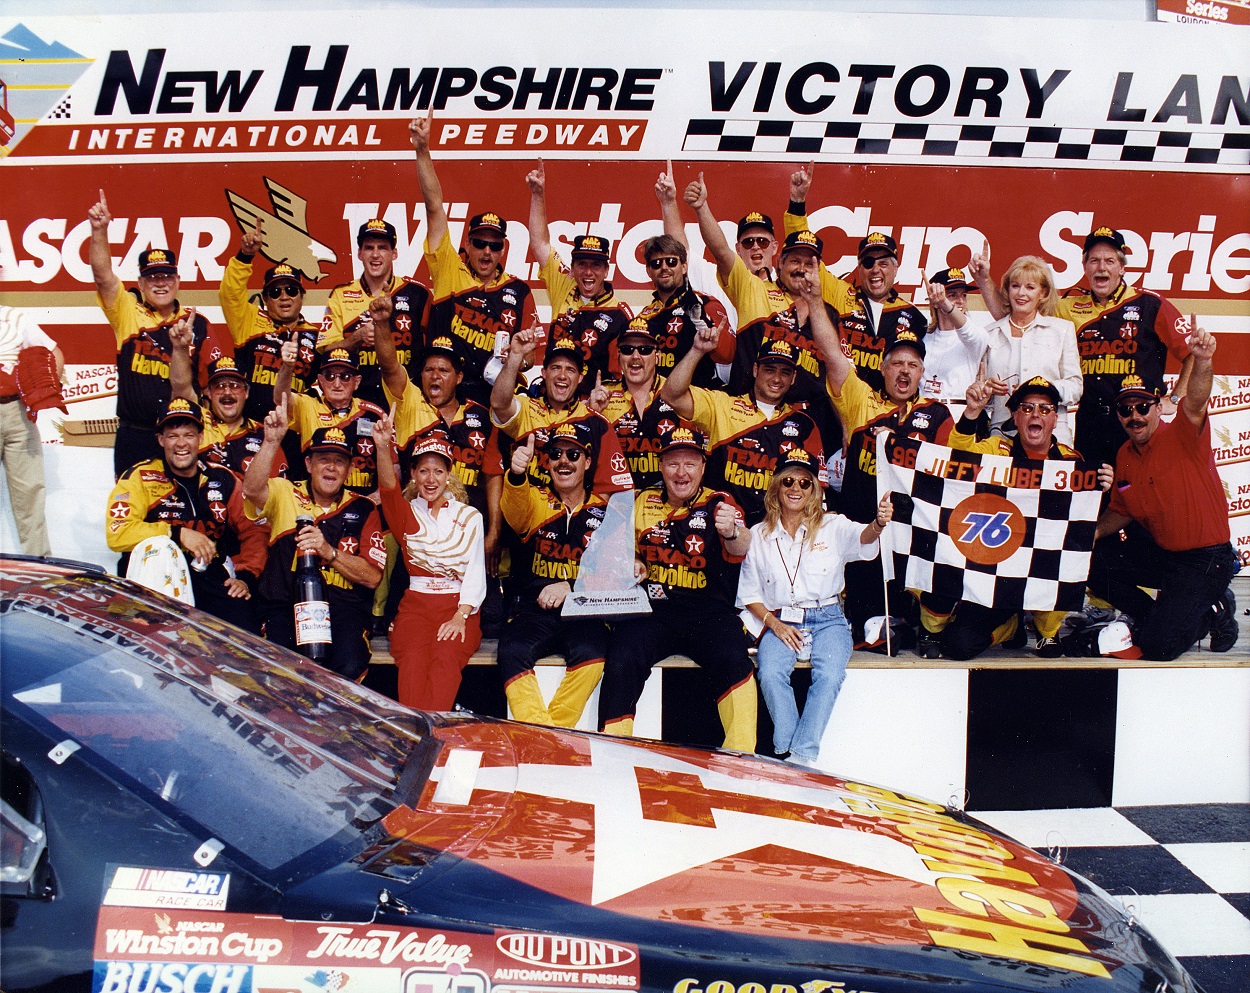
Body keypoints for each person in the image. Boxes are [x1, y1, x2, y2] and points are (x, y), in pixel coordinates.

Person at [1067, 329, 1238, 660]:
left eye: (1143, 407)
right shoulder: (1124, 455)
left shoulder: (1183, 434)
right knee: (1091, 563)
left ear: (1159, 407)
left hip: (1206, 560)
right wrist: (1088, 535)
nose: (1135, 417)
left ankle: (1212, 610)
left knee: (1158, 648)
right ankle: (1164, 616)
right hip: (1166, 558)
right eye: (1126, 410)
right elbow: (1122, 510)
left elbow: (1198, 397)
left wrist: (1203, 359)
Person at [806, 277, 954, 649]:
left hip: (912, 529)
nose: (905, 371)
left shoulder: (937, 414)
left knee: (915, 610)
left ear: (923, 373)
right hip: (864, 528)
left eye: (913, 365)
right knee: (868, 627)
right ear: (884, 370)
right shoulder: (861, 400)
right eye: (897, 363)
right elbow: (831, 353)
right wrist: (815, 300)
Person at [599, 427, 757, 753]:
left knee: (734, 659)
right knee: (622, 656)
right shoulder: (642, 500)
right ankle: (612, 749)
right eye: (673, 464)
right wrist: (635, 562)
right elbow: (619, 553)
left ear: (702, 467)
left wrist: (731, 532)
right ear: (661, 466)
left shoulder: (720, 502)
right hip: (654, 611)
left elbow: (742, 545)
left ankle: (742, 756)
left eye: (690, 464)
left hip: (708, 614)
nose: (681, 473)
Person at [933, 376, 1114, 660]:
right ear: (1015, 416)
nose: (1035, 415)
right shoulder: (996, 450)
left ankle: (1047, 632)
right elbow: (955, 458)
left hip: (1042, 573)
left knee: (1071, 550)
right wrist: (971, 413)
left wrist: (1103, 487)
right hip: (994, 572)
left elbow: (1082, 526)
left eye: (1044, 409)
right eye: (1027, 408)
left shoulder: (1071, 462)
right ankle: (1013, 627)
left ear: (1055, 419)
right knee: (957, 646)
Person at [739, 449, 893, 765]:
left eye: (805, 483)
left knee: (830, 674)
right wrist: (775, 625)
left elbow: (864, 538)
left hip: (829, 618)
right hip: (781, 619)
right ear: (777, 488)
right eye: (788, 482)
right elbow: (750, 595)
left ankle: (799, 755)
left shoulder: (833, 525)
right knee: (769, 672)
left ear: (815, 489)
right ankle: (788, 744)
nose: (796, 489)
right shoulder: (758, 535)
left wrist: (878, 523)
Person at [684, 173, 840, 446]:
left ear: (819, 269)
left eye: (809, 263)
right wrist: (702, 208)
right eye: (794, 261)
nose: (801, 268)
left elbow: (841, 375)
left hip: (813, 426)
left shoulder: (830, 312)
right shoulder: (754, 290)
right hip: (751, 416)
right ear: (779, 262)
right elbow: (720, 251)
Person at [243, 401, 385, 680]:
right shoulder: (285, 492)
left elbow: (372, 577)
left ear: (349, 469)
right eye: (323, 459)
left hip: (343, 608)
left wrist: (327, 551)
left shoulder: (364, 508)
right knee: (283, 670)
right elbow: (251, 489)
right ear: (308, 463)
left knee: (349, 664)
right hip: (285, 606)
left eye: (339, 461)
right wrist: (271, 442)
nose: (331, 468)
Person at [87, 190, 222, 476]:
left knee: (181, 510)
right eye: (152, 278)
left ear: (177, 281)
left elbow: (215, 382)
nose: (160, 284)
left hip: (180, 434)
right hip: (134, 434)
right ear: (140, 282)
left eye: (166, 277)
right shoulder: (127, 311)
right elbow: (102, 276)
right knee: (130, 509)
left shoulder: (197, 323)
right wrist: (99, 230)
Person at [106, 398, 268, 632]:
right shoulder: (139, 477)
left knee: (243, 629)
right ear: (161, 440)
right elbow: (117, 533)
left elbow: (255, 528)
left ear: (201, 438)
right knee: (165, 636)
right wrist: (176, 533)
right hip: (154, 575)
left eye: (189, 435)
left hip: (207, 573)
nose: (181, 444)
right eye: (173, 436)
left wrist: (246, 576)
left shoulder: (222, 478)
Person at [410, 111, 538, 405]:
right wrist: (423, 150)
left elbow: (532, 357)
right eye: (480, 243)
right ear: (467, 243)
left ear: (503, 248)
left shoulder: (519, 291)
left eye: (494, 245)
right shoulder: (448, 270)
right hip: (445, 394)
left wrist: (520, 359)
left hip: (495, 395)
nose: (487, 252)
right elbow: (434, 206)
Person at [498, 423, 611, 727]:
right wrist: (517, 475)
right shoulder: (534, 500)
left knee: (594, 653)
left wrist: (571, 586)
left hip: (584, 612)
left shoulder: (607, 512)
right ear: (546, 462)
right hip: (534, 612)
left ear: (587, 462)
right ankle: (538, 731)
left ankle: (552, 733)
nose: (564, 461)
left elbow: (613, 574)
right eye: (556, 454)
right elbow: (513, 508)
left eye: (574, 454)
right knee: (510, 650)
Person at [373, 412, 485, 711]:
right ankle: (417, 733)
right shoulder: (408, 512)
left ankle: (434, 733)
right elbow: (387, 490)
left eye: (438, 471)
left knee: (446, 660)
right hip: (416, 606)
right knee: (412, 663)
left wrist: (460, 615)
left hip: (459, 606)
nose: (431, 479)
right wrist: (383, 447)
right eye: (423, 471)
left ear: (449, 473)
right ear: (413, 474)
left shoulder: (469, 516)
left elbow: (476, 571)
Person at [785, 162, 928, 394]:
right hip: (841, 403)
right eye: (869, 263)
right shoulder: (840, 293)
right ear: (859, 268)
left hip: (886, 411)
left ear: (896, 268)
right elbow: (805, 253)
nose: (876, 270)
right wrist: (797, 203)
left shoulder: (913, 315)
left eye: (884, 263)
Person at [660, 327, 823, 527]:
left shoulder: (805, 424)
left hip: (773, 535)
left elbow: (817, 489)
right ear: (755, 370)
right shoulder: (722, 405)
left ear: (794, 378)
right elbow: (671, 395)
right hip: (719, 527)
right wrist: (697, 350)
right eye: (769, 370)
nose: (777, 379)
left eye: (785, 372)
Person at [525, 160, 634, 390]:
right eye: (582, 264)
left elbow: (628, 371)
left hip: (595, 403)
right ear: (572, 268)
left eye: (596, 265)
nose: (588, 272)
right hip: (553, 397)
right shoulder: (563, 286)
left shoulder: (620, 313)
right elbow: (540, 243)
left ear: (606, 271)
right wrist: (537, 194)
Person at [489, 329, 632, 495]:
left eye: (570, 370)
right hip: (526, 511)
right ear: (544, 373)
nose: (562, 375)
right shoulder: (526, 408)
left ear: (580, 378)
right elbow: (499, 404)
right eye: (555, 368)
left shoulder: (596, 422)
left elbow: (609, 489)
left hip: (572, 515)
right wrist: (515, 355)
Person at [317, 218, 432, 409]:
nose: (375, 255)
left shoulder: (417, 294)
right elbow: (326, 353)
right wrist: (357, 337)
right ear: (360, 253)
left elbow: (432, 353)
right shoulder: (341, 294)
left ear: (394, 253)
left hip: (406, 400)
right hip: (357, 402)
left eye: (383, 248)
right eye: (369, 248)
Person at [218, 219, 321, 421]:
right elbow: (229, 293)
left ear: (302, 296)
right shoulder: (249, 321)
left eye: (291, 290)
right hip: (251, 426)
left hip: (294, 428)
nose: (284, 297)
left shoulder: (317, 336)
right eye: (275, 292)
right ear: (265, 299)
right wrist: (245, 256)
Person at [979, 256, 1081, 446]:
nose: (1021, 293)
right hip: (1002, 433)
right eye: (1015, 286)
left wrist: (1041, 389)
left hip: (1052, 433)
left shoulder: (1062, 329)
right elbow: (981, 396)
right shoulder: (989, 333)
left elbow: (1075, 387)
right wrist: (988, 389)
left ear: (1043, 292)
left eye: (1030, 287)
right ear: (1007, 290)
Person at [169, 321, 286, 478]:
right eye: (219, 386)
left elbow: (277, 490)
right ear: (208, 393)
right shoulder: (196, 421)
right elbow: (181, 387)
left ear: (246, 392)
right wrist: (180, 349)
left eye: (235, 386)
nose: (227, 392)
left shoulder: (266, 434)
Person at [275, 344, 384, 495]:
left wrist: (375, 499)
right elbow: (281, 398)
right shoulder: (307, 406)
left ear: (357, 381)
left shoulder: (374, 414)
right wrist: (287, 367)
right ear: (320, 380)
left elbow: (393, 465)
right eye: (330, 376)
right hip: (316, 504)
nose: (337, 384)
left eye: (345, 377)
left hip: (362, 503)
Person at [634, 234, 734, 390]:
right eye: (657, 263)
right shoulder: (643, 316)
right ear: (648, 271)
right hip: (656, 403)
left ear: (684, 266)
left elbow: (727, 356)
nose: (664, 267)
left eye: (672, 261)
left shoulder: (705, 304)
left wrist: (703, 323)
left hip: (697, 400)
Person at [0, 305, 62, 556]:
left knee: (30, 500)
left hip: (16, 412)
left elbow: (54, 353)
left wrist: (45, 391)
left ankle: (39, 574)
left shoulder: (14, 317)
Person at [593, 320, 683, 490]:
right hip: (617, 501)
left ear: (658, 356)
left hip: (667, 503)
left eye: (645, 350)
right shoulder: (603, 397)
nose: (635, 356)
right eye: (627, 350)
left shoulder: (677, 394)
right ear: (619, 356)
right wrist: (592, 415)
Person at [920, 266, 987, 416]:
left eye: (963, 295)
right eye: (952, 295)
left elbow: (966, 331)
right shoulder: (923, 337)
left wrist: (945, 303)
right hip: (922, 414)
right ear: (934, 301)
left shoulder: (977, 335)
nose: (960, 301)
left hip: (958, 415)